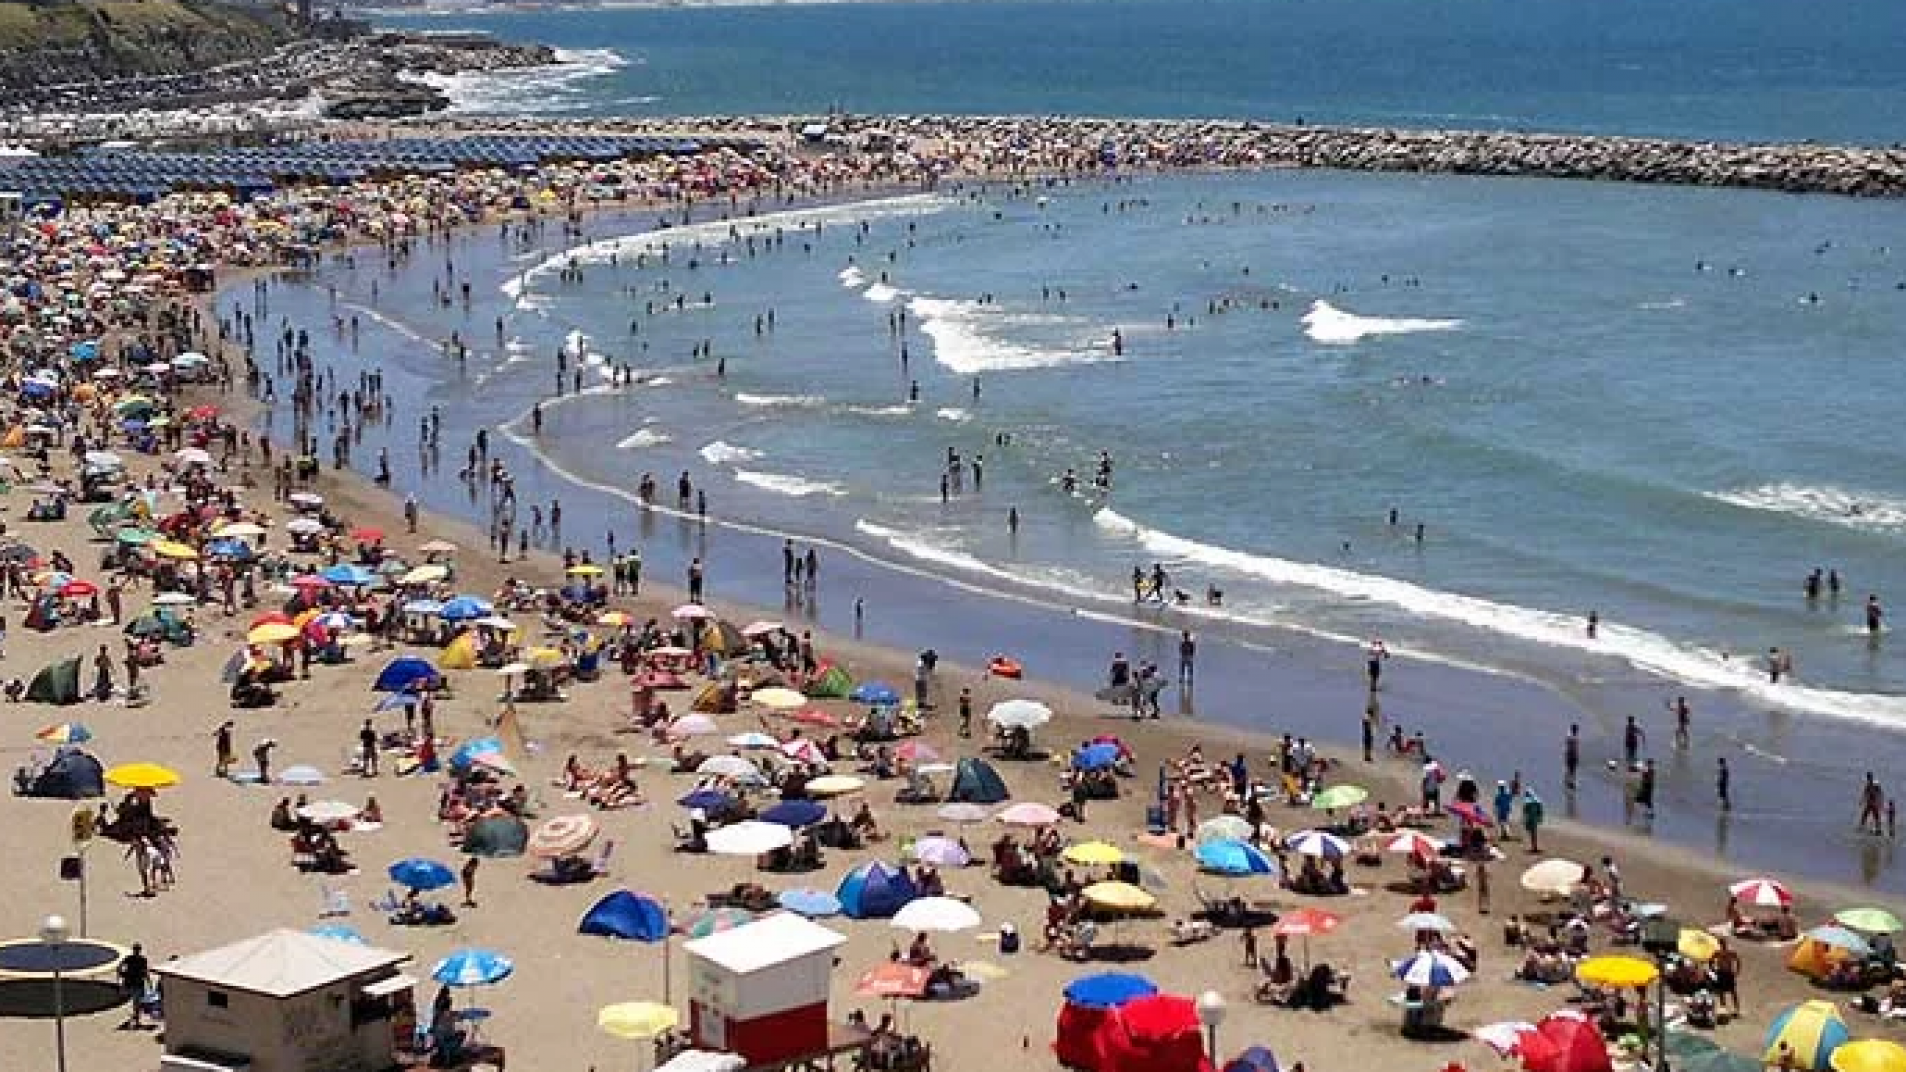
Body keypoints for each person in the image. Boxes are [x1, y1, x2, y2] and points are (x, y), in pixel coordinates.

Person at [118, 942, 150, 1029]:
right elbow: (145, 971)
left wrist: (122, 974)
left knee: (134, 1000)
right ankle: (136, 1017)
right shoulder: (142, 959)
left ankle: (135, 1016)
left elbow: (119, 967)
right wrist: (149, 982)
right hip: (137, 983)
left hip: (130, 982)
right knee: (137, 1002)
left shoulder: (129, 958)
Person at [1712, 936, 1741, 1017]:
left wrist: (1737, 971)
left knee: (1732, 992)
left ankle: (1736, 1009)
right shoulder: (1718, 952)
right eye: (1721, 943)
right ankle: (1724, 1009)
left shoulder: (1730, 952)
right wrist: (1714, 969)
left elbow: (1738, 961)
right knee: (1722, 992)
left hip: (1728, 973)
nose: (1722, 945)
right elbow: (1711, 960)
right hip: (1722, 973)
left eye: (1723, 943)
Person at [1563, 724, 1580, 788]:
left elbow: (1568, 746)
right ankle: (1571, 783)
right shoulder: (1575, 738)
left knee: (1569, 769)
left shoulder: (1569, 736)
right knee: (1573, 770)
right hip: (1572, 755)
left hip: (1568, 754)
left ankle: (1567, 781)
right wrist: (1577, 757)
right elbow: (1575, 749)